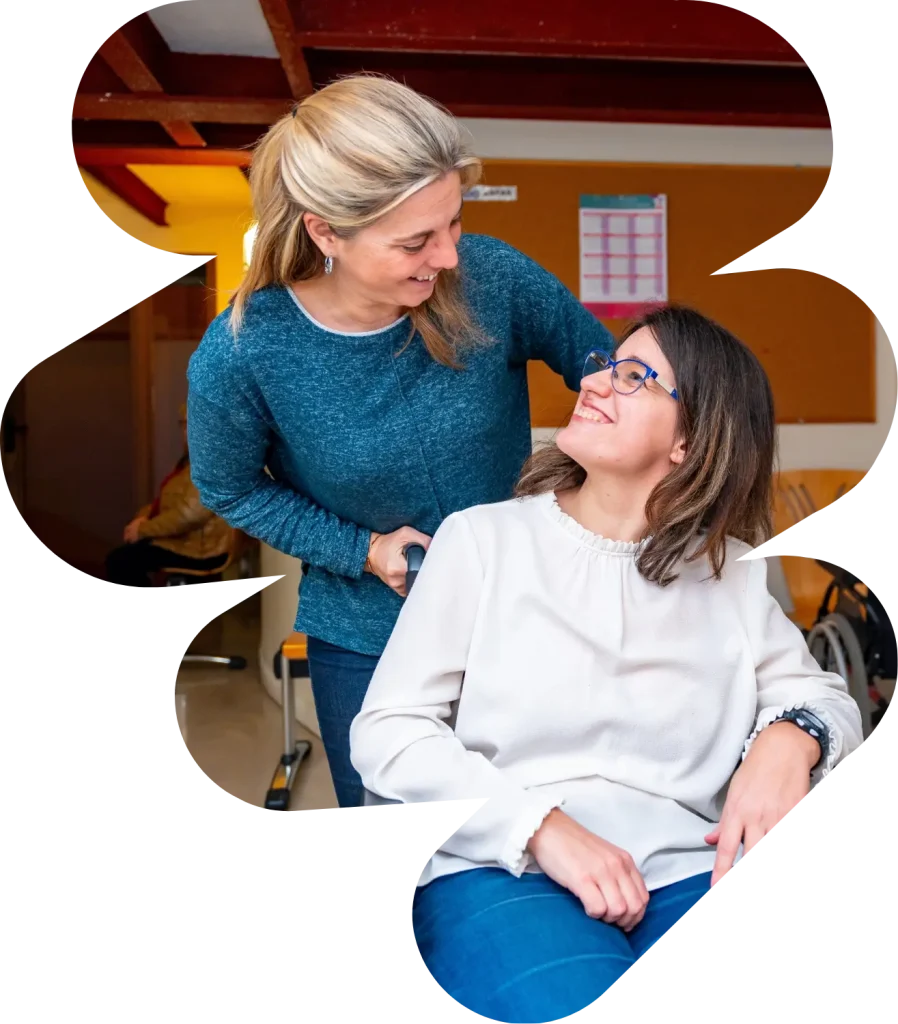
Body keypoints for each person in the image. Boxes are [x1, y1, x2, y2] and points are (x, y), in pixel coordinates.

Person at [348, 305, 866, 1024]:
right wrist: (541, 827)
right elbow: (389, 731)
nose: (594, 383)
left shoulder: (732, 574)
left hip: (690, 866)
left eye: (634, 377)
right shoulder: (483, 542)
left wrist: (793, 735)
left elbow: (827, 699)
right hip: (503, 866)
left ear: (690, 440)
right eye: (604, 366)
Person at [185, 73, 616, 809]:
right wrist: (362, 549)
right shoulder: (246, 352)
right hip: (368, 641)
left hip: (524, 620)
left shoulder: (493, 277)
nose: (449, 256)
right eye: (416, 239)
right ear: (326, 232)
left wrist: (607, 489)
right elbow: (230, 487)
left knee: (536, 832)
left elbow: (606, 371)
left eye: (454, 222)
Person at [106, 404, 231, 589]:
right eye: (185, 425)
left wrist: (143, 530)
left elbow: (189, 515)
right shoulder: (191, 460)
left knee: (121, 561)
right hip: (188, 540)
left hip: (201, 549)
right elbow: (168, 500)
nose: (187, 432)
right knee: (124, 557)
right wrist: (143, 517)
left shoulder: (214, 463)